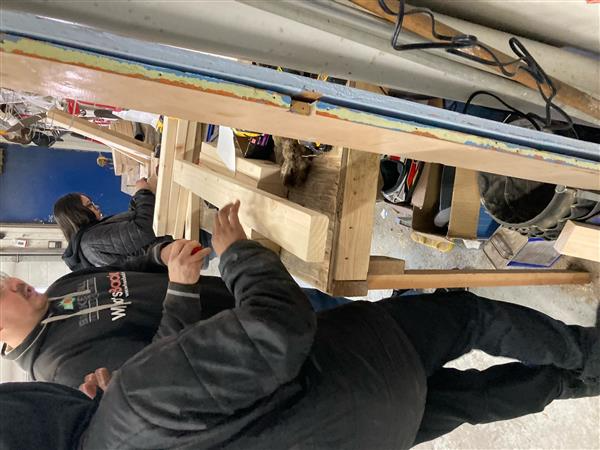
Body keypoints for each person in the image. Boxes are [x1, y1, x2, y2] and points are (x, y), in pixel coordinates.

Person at [0, 201, 598, 449]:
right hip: (348, 372)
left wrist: (166, 263)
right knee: (465, 316)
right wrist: (237, 256)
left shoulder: (65, 299)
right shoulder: (110, 394)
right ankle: (585, 354)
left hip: (360, 432)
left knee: (465, 401)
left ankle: (572, 382)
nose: (9, 282)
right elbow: (275, 333)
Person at [53, 177, 167, 271]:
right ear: (78, 214)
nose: (96, 207)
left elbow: (129, 226)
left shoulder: (90, 234)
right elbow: (144, 229)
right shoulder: (91, 240)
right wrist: (143, 193)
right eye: (89, 205)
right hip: (167, 249)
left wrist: (136, 200)